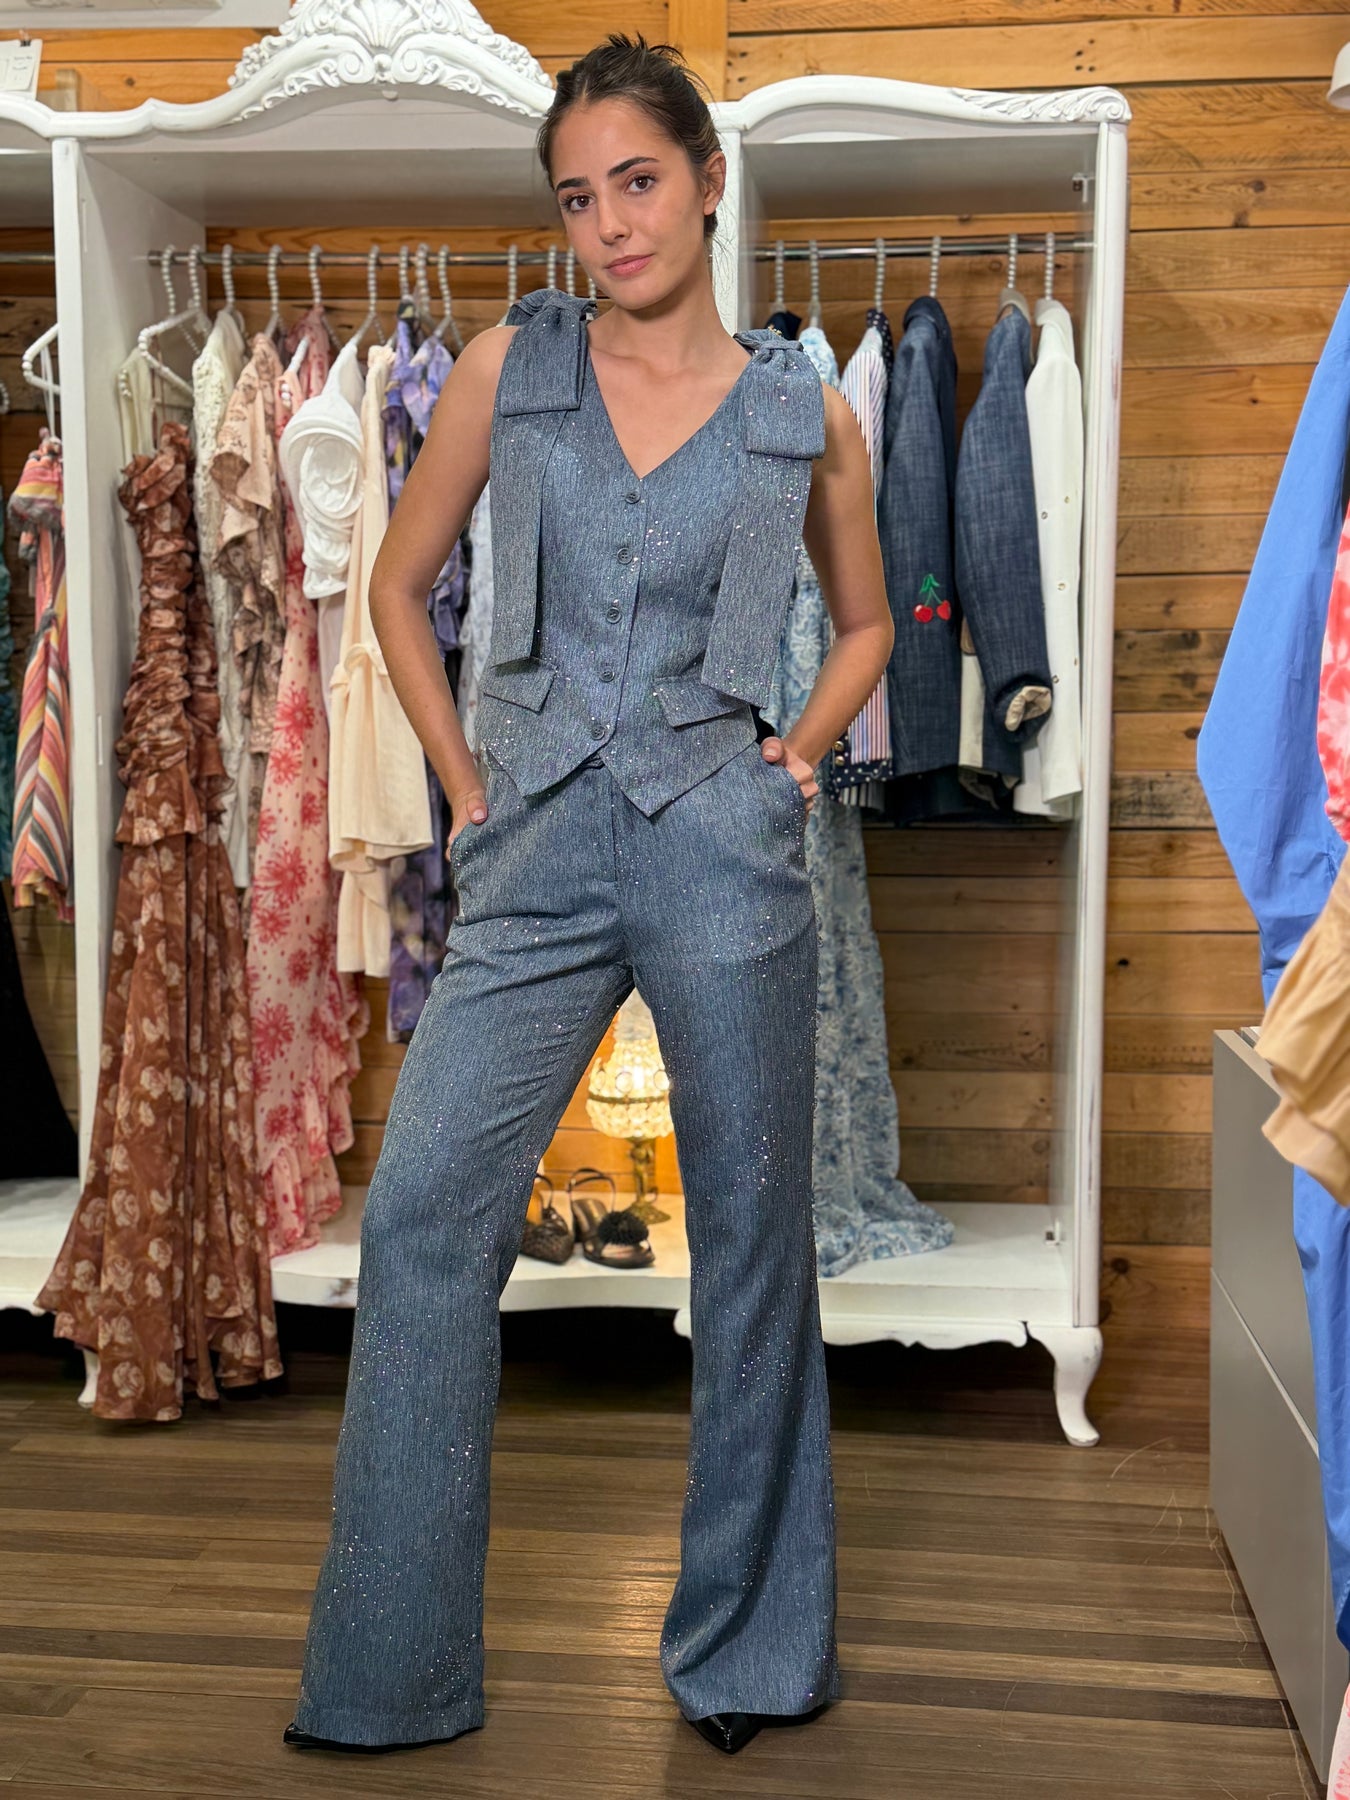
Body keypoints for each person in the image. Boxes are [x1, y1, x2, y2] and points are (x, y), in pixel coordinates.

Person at [283, 31, 894, 1760]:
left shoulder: (802, 410)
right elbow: (396, 588)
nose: (610, 223)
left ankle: (747, 1654)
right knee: (419, 1221)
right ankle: (389, 1674)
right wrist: (465, 786)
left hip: (723, 849)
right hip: (534, 851)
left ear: (705, 180)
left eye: (637, 181)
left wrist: (795, 758)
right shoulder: (508, 367)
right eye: (576, 197)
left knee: (754, 1246)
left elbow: (863, 625)